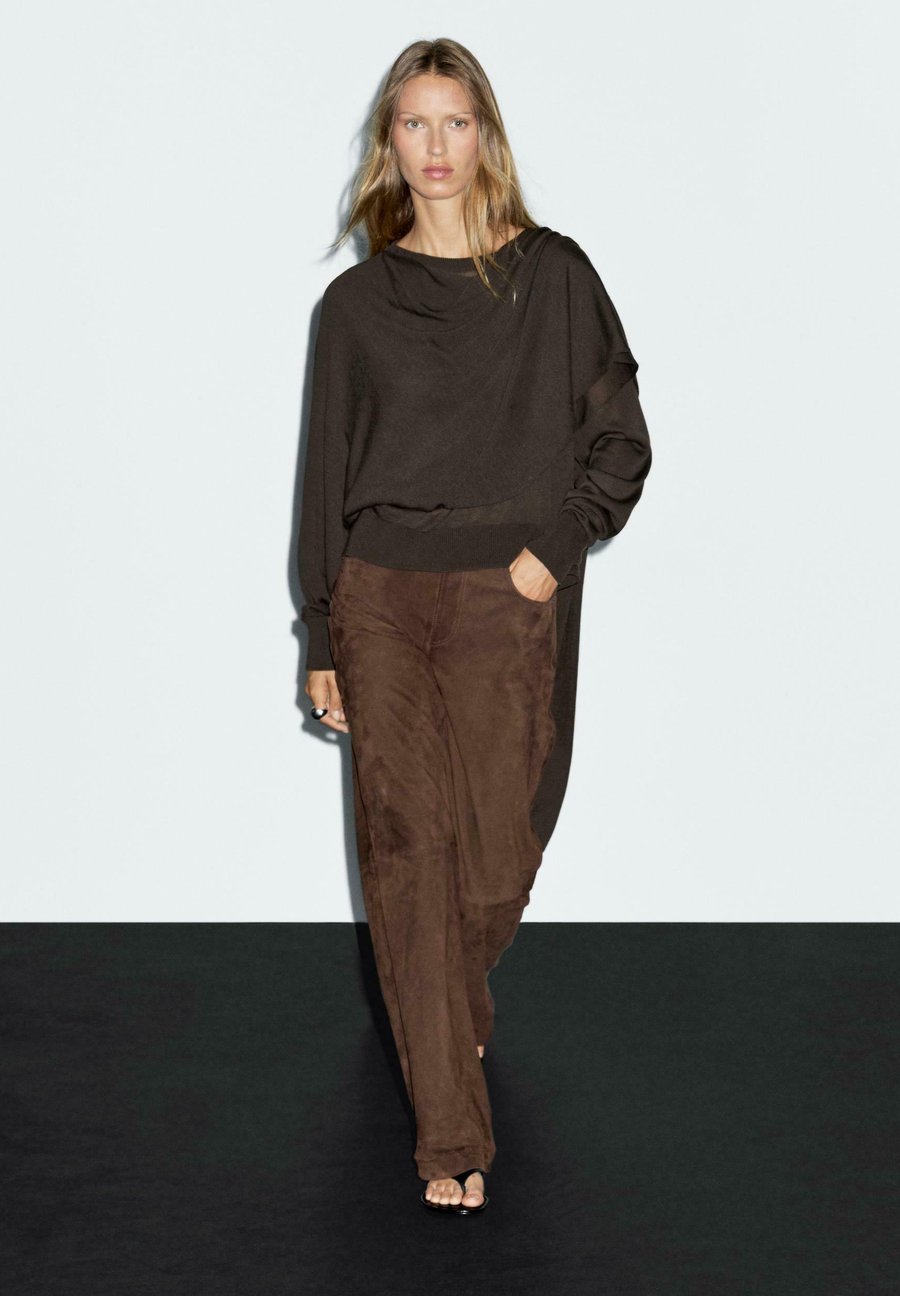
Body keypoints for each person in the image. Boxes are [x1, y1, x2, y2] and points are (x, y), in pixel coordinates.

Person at [297, 37, 652, 1215]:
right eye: (414, 124)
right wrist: (320, 634)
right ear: (388, 144)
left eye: (455, 122)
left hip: (507, 598)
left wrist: (547, 560)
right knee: (406, 850)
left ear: (485, 135)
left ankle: (449, 996)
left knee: (498, 851)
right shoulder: (355, 307)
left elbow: (620, 441)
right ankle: (449, 1131)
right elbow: (325, 480)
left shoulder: (554, 277)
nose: (436, 146)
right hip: (382, 598)